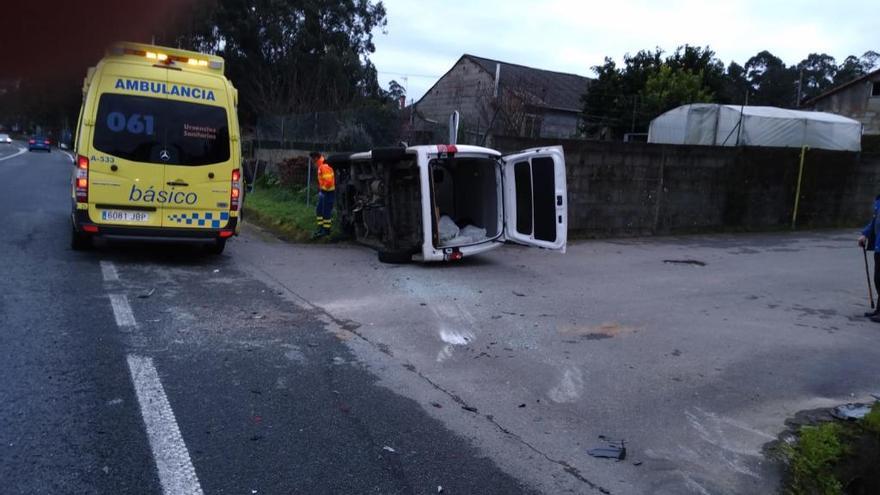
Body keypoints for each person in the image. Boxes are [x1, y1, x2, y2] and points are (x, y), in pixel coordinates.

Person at [858, 194, 880, 319]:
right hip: (879, 246)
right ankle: (879, 309)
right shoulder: (879, 201)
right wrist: (865, 234)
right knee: (878, 278)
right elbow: (875, 220)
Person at [311, 151, 335, 239]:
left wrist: (323, 189)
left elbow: (328, 181)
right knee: (319, 210)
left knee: (326, 212)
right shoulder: (321, 166)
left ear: (316, 158)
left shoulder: (324, 166)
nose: (312, 161)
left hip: (327, 192)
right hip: (324, 192)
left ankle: (326, 230)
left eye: (312, 159)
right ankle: (321, 228)